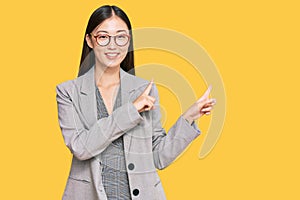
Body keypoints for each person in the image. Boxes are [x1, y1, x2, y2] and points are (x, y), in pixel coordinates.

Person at [56, 5, 216, 200]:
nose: (113, 46)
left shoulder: (144, 90)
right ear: (90, 40)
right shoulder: (68, 92)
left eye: (120, 37)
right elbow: (81, 147)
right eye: (103, 37)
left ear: (128, 40)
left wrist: (189, 117)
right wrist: (131, 111)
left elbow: (158, 156)